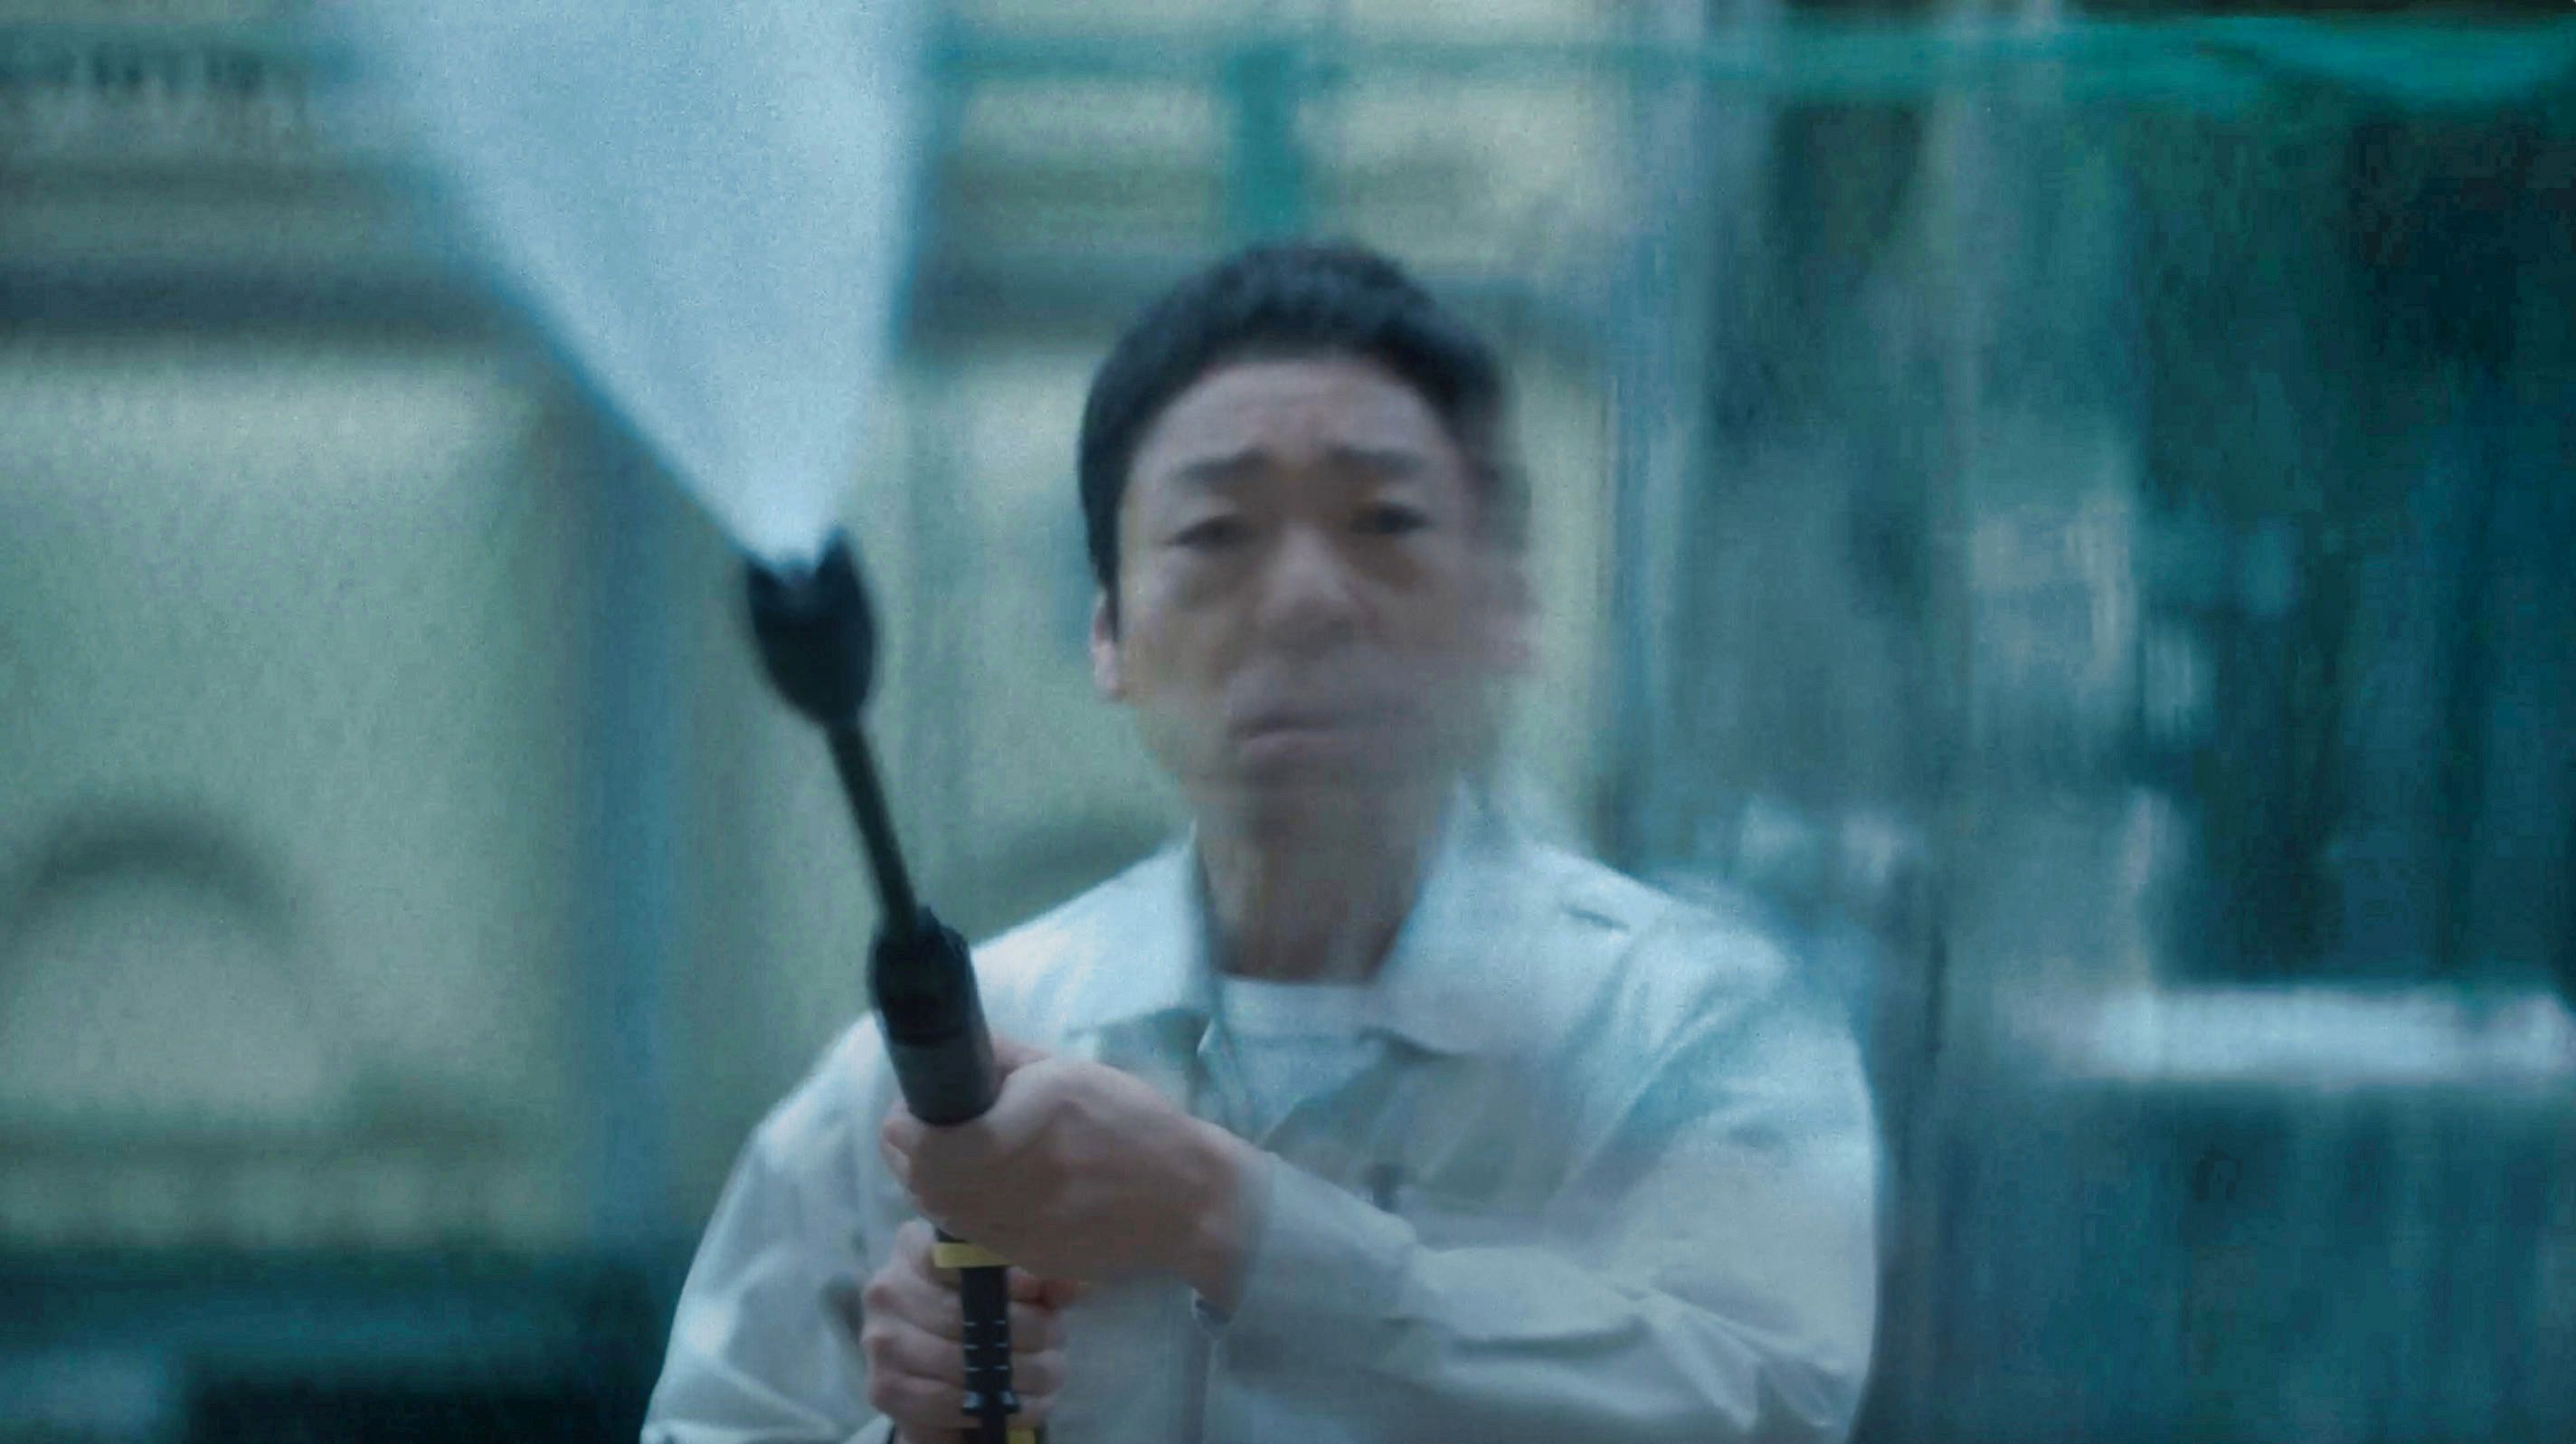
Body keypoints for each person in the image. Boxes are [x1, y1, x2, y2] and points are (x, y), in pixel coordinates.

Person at [643, 242, 1878, 1443]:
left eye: (1385, 521)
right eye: (1217, 535)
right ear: (1109, 635)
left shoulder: (1687, 1031)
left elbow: (1762, 1401)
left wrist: (1222, 1215)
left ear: (1505, 605)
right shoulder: (915, 1095)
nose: (1303, 601)